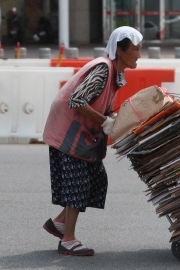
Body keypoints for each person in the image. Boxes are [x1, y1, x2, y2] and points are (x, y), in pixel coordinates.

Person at [42, 26, 143, 256]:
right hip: (68, 132)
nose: (139, 55)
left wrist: (112, 118)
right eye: (135, 49)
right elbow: (78, 100)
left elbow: (100, 101)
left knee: (95, 179)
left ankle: (59, 222)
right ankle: (67, 239)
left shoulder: (115, 73)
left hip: (81, 134)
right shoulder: (103, 69)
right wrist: (104, 121)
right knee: (78, 184)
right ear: (120, 49)